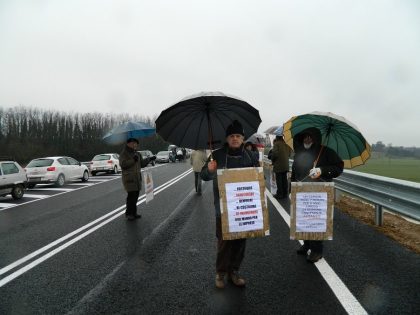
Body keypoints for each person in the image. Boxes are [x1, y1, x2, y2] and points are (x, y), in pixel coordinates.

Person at [201, 120, 260, 289]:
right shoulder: (217, 155)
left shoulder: (250, 156)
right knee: (224, 242)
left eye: (238, 136)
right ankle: (220, 272)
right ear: (227, 139)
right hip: (223, 208)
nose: (235, 139)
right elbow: (204, 176)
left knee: (240, 242)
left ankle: (234, 271)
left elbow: (257, 180)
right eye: (232, 136)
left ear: (243, 138)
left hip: (244, 208)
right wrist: (210, 170)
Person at [291, 127, 344, 262]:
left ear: (316, 139)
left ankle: (317, 251)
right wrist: (292, 187)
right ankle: (307, 244)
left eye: (310, 137)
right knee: (304, 219)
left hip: (319, 192)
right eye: (305, 136)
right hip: (302, 190)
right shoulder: (299, 151)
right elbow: (294, 169)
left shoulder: (326, 152)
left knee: (316, 221)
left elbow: (338, 167)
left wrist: (322, 170)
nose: (307, 139)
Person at [119, 138, 151, 221]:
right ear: (128, 144)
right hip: (129, 178)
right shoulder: (124, 153)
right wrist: (133, 160)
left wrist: (149, 159)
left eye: (136, 144)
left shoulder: (137, 153)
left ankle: (134, 213)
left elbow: (142, 164)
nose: (135, 145)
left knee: (136, 196)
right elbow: (123, 165)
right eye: (134, 143)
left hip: (137, 178)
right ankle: (129, 214)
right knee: (131, 196)